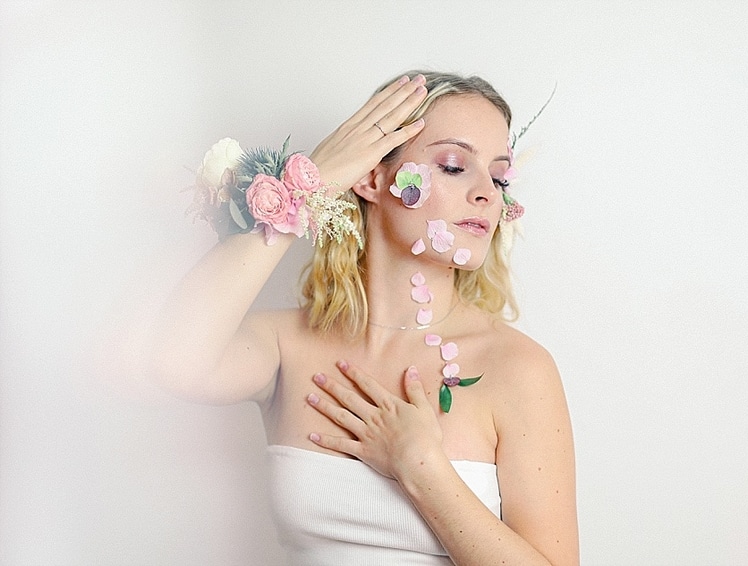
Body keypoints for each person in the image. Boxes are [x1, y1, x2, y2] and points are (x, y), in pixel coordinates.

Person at [152, 71, 578, 565]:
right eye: (455, 166)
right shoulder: (284, 344)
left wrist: (422, 469)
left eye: (499, 176)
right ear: (371, 178)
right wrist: (306, 190)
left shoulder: (518, 369)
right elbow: (171, 362)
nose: (487, 192)